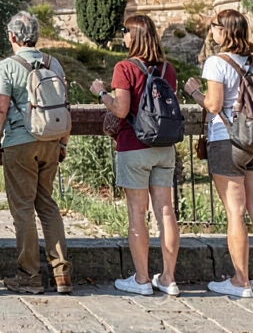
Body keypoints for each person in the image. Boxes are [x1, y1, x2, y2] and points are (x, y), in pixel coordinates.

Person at [183, 8, 253, 300]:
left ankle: (240, 280)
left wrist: (194, 92)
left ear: (224, 31)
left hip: (227, 141)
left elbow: (213, 105)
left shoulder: (216, 62)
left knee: (235, 213)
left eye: (213, 26)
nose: (211, 30)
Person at [91, 15, 181, 297]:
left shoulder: (124, 67)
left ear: (134, 36)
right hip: (164, 147)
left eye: (124, 31)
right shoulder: (168, 69)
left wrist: (100, 92)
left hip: (134, 146)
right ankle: (168, 278)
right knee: (166, 211)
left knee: (136, 214)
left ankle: (142, 279)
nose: (122, 36)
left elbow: (120, 109)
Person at [0, 11, 72, 295]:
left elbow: (0, 107)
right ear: (35, 36)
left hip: (19, 142)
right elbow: (64, 106)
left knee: (23, 208)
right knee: (47, 204)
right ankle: (62, 274)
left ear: (12, 37)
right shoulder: (54, 63)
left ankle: (29, 276)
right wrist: (63, 142)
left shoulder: (8, 66)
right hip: (51, 140)